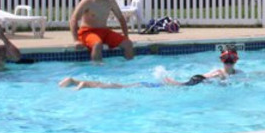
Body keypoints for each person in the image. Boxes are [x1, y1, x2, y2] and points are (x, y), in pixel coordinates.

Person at [58, 48, 240, 90]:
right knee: (127, 87)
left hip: (180, 84)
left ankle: (78, 82)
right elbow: (197, 80)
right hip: (178, 86)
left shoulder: (228, 73)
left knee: (129, 86)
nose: (228, 62)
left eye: (230, 59)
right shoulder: (219, 73)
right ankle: (83, 84)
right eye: (227, 59)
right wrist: (175, 83)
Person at [69, 0, 134, 62]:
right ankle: (98, 70)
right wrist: (76, 40)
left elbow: (121, 19)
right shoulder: (88, 2)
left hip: (105, 31)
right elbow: (74, 19)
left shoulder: (111, 2)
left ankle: (130, 68)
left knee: (128, 44)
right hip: (88, 32)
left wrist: (126, 36)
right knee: (97, 44)